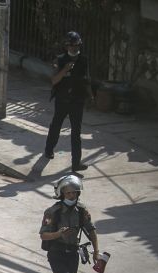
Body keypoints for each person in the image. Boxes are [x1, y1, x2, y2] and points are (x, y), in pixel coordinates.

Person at [39, 174, 99, 273]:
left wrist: (96, 251)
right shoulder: (53, 212)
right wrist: (58, 233)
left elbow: (91, 230)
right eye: (68, 193)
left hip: (73, 253)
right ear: (62, 194)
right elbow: (43, 235)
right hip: (57, 253)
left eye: (75, 193)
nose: (72, 196)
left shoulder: (81, 210)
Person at [44, 31, 94, 172]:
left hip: (77, 100)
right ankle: (49, 149)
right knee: (56, 126)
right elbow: (54, 80)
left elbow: (87, 79)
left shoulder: (83, 60)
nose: (74, 48)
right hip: (62, 100)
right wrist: (65, 69)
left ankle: (75, 164)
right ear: (66, 46)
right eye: (71, 45)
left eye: (77, 45)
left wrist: (90, 96)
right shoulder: (60, 60)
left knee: (76, 133)